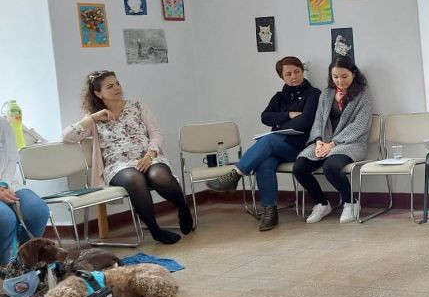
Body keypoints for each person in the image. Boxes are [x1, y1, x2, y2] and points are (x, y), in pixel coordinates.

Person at [63, 70, 192, 244]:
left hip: (148, 157)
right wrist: (92, 117)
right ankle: (155, 230)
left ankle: (183, 208)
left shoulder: (138, 106)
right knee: (134, 179)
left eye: (117, 83)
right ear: (98, 93)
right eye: (110, 86)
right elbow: (67, 137)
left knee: (159, 176)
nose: (117, 88)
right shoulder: (95, 118)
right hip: (118, 165)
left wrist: (150, 155)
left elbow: (156, 132)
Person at [207, 56, 320, 231]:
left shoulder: (313, 94)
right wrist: (289, 115)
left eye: (297, 72)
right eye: (288, 74)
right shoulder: (279, 97)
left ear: (302, 71)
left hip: (299, 147)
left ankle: (236, 174)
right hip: (277, 146)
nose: (294, 76)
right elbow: (265, 117)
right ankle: (270, 211)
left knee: (267, 139)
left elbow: (305, 121)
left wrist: (279, 124)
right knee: (264, 163)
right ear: (281, 77)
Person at [292, 56, 373, 224]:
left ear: (353, 73)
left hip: (352, 143)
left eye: (344, 76)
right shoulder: (327, 94)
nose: (339, 81)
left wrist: (333, 144)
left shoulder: (363, 94)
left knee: (331, 167)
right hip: (325, 142)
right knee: (299, 167)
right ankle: (322, 203)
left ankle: (351, 202)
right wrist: (318, 141)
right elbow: (318, 121)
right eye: (335, 76)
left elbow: (360, 125)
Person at [0, 117, 49, 263]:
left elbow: (11, 159)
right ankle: (4, 264)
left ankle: (25, 261)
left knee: (38, 210)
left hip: (8, 183)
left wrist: (3, 184)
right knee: (5, 218)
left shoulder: (2, 123)